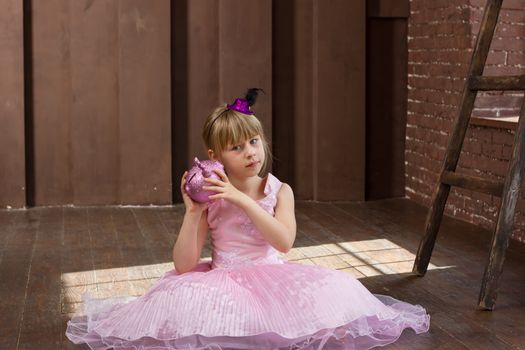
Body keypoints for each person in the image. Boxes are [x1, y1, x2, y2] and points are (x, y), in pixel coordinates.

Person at [66, 88, 430, 349]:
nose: (250, 153)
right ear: (216, 155)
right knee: (204, 317)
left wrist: (243, 200)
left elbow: (284, 242)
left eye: (254, 142)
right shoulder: (210, 198)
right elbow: (183, 264)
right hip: (222, 279)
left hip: (273, 278)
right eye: (236, 147)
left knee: (325, 301)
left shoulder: (279, 190)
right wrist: (193, 213)